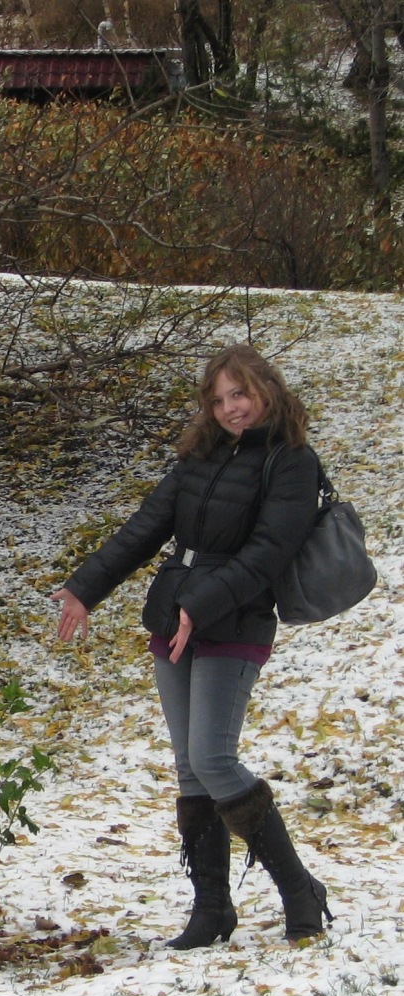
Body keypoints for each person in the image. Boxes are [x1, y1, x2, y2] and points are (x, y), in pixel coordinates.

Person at [50, 344, 334, 949]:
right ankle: (211, 911)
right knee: (189, 767)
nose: (232, 408)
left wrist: (200, 605)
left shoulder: (292, 461)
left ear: (267, 390)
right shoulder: (200, 455)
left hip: (237, 620)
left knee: (213, 758)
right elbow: (147, 525)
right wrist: (84, 588)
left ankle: (299, 890)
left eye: (241, 394)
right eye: (220, 398)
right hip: (173, 616)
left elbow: (269, 552)